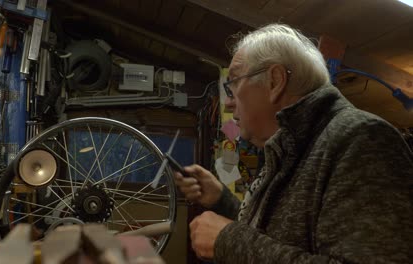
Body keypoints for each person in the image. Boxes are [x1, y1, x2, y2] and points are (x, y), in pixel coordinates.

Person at [174, 23, 413, 263]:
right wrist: (221, 201)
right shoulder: (290, 150)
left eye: (233, 83)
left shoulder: (363, 139)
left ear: (274, 81)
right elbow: (278, 235)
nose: (228, 103)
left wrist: (229, 241)